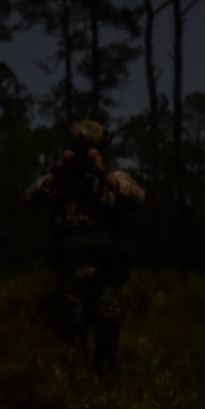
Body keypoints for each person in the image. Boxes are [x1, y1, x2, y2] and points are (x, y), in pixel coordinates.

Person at [24, 120, 145, 374]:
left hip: (106, 269)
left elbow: (137, 198)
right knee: (71, 335)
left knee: (108, 336)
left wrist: (102, 173)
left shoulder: (113, 178)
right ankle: (74, 392)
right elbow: (31, 199)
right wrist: (58, 172)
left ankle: (106, 390)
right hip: (71, 269)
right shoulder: (61, 181)